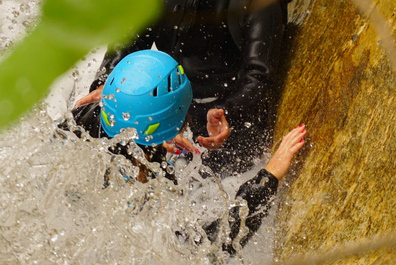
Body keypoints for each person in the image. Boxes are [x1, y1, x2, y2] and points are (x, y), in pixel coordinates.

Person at [66, 50, 305, 254]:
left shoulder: (83, 122)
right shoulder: (136, 201)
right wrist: (268, 177)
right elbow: (208, 247)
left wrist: (155, 140)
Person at [75, 0, 290, 177]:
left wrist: (227, 113)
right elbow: (127, 40)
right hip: (168, 107)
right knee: (91, 125)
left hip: (221, 117)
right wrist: (107, 81)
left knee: (206, 189)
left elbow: (259, 78)